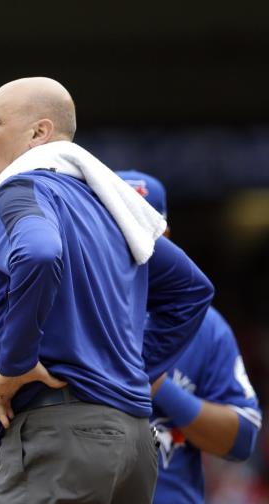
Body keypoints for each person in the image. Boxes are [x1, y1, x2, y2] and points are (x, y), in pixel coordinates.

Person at [0, 77, 215, 503]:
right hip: (133, 440)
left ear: (39, 133)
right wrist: (128, 373)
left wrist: (15, 364)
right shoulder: (110, 206)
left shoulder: (20, 188)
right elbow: (192, 288)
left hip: (58, 436)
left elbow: (39, 254)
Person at [116, 170, 262, 504]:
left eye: (142, 231)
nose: (128, 245)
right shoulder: (63, 315)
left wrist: (156, 384)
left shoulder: (204, 324)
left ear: (165, 236)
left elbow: (242, 439)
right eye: (116, 230)